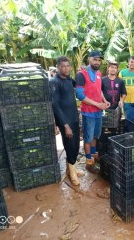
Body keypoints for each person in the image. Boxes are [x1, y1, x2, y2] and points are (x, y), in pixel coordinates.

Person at [49, 56, 83, 186]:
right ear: (58, 67)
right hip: (65, 121)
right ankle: (72, 173)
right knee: (69, 145)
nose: (66, 68)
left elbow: (77, 84)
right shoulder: (54, 82)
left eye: (68, 66)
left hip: (74, 117)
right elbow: (55, 106)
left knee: (75, 144)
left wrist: (82, 73)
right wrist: (65, 125)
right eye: (63, 66)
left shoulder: (68, 79)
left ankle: (72, 168)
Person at [75, 50, 110, 173]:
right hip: (88, 112)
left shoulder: (99, 73)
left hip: (98, 112)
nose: (97, 62)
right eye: (95, 59)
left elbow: (98, 90)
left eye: (99, 60)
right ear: (89, 59)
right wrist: (97, 104)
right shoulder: (81, 74)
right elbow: (79, 95)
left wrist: (104, 101)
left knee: (96, 135)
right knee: (88, 137)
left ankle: (94, 156)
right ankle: (88, 162)